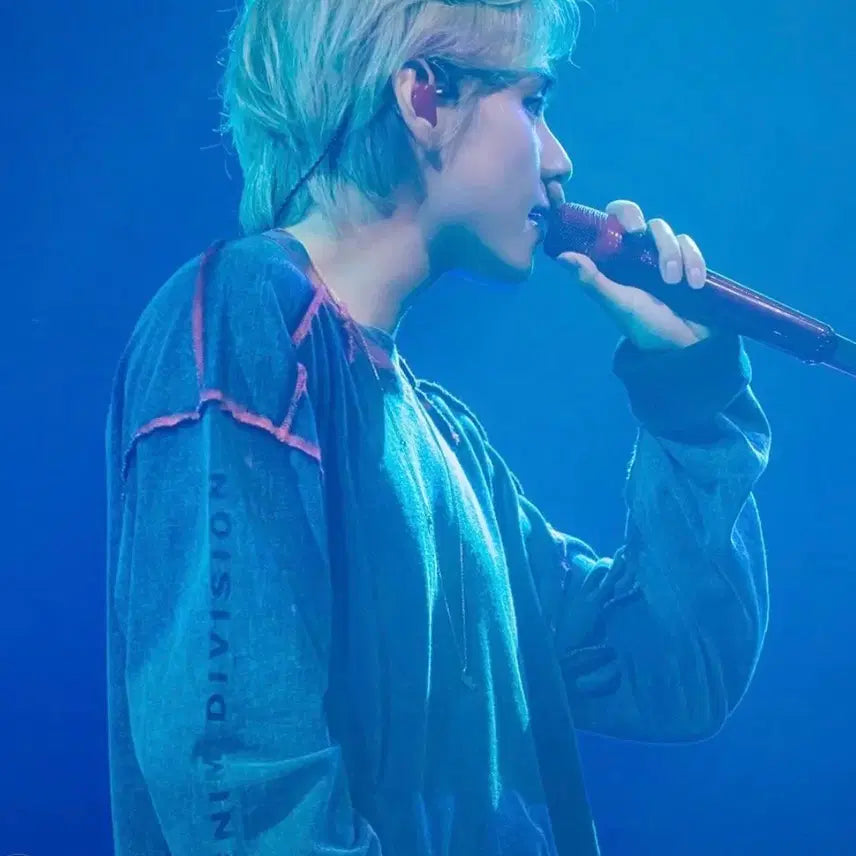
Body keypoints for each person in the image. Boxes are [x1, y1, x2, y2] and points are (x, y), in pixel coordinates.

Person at [104, 0, 771, 854]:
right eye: (533, 103)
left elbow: (674, 670)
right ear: (424, 98)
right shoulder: (246, 313)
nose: (560, 160)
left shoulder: (448, 445)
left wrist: (690, 395)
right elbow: (246, 786)